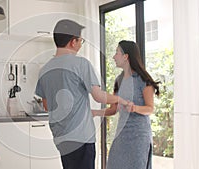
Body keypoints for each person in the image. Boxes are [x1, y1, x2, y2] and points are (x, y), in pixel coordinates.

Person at [35, 19, 129, 169]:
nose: (80, 44)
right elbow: (98, 96)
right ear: (73, 41)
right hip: (81, 137)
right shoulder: (81, 64)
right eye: (80, 40)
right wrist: (120, 99)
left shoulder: (44, 69)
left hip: (60, 137)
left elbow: (46, 105)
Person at [92, 40, 160, 169]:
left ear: (126, 56)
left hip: (139, 137)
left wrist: (134, 108)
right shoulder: (119, 80)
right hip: (121, 135)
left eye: (117, 53)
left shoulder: (143, 80)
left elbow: (150, 109)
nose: (113, 57)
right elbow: (113, 109)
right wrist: (95, 113)